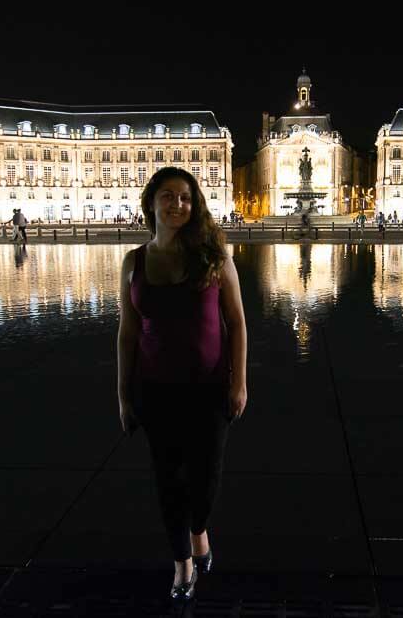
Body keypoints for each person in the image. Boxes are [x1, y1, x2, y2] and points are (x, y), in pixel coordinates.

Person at [117, 167, 247, 601]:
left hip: (210, 389)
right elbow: (127, 332)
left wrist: (239, 383)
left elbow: (237, 322)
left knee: (205, 479)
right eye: (168, 196)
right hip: (155, 390)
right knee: (167, 480)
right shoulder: (133, 261)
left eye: (186, 197)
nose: (178, 205)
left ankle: (200, 529)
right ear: (151, 202)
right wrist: (122, 394)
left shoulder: (215, 255)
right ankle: (182, 562)